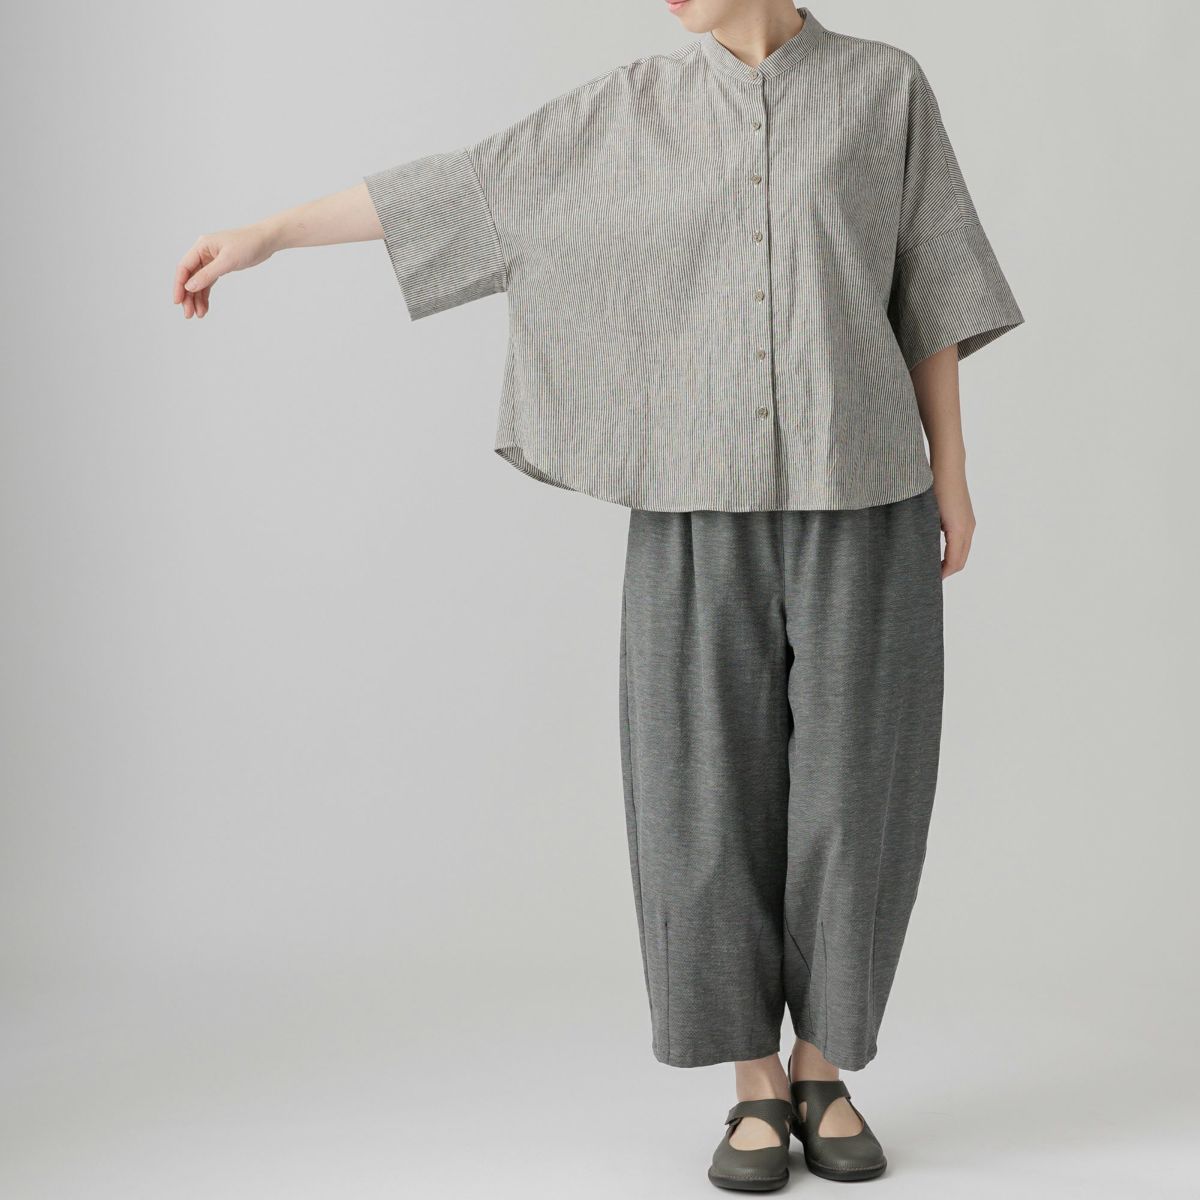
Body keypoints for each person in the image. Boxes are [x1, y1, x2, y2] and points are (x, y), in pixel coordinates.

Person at [172, 2, 1023, 1190]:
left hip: (866, 490)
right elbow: (471, 191)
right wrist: (271, 232)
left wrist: (953, 475)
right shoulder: (631, 109)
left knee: (858, 790)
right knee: (698, 795)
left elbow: (929, 287)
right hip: (688, 507)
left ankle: (825, 1069)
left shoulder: (886, 89)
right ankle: (754, 1086)